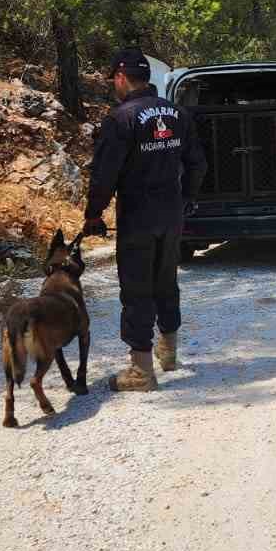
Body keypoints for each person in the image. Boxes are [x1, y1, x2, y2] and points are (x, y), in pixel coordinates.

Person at [83, 49, 207, 392]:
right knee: (165, 281)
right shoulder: (178, 113)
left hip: (138, 214)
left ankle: (141, 371)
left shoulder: (121, 118)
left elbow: (104, 175)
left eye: (114, 81)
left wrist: (93, 213)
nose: (114, 86)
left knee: (137, 288)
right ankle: (169, 354)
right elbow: (198, 163)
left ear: (121, 77)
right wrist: (187, 198)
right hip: (171, 213)